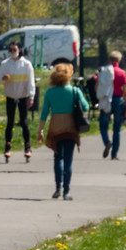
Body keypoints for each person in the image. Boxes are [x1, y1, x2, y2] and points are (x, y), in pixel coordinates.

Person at [35, 61, 88, 201]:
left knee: (58, 157)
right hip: (71, 126)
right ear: (68, 76)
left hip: (56, 127)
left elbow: (44, 112)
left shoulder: (50, 92)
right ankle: (67, 191)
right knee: (68, 159)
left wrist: (40, 130)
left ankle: (58, 187)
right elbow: (86, 107)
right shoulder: (75, 91)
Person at [0, 41, 35, 163]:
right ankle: (7, 146)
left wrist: (31, 96)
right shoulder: (5, 64)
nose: (13, 52)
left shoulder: (26, 64)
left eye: (14, 49)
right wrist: (3, 79)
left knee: (23, 122)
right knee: (10, 122)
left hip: (23, 96)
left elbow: (30, 81)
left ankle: (27, 146)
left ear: (19, 49)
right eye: (10, 50)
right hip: (10, 96)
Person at [95, 51, 126, 160]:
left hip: (106, 99)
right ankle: (114, 154)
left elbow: (96, 86)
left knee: (103, 125)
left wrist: (99, 97)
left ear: (109, 60)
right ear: (119, 60)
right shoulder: (122, 73)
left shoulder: (103, 71)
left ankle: (107, 142)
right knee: (117, 128)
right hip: (119, 100)